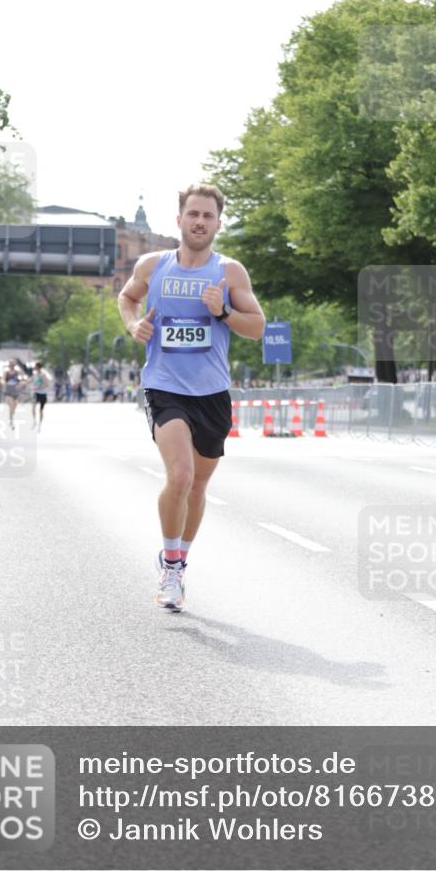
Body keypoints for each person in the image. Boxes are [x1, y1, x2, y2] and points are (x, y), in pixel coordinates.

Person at [118, 183, 265, 611]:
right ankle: (169, 565)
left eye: (208, 216)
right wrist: (133, 326)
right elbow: (127, 299)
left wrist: (222, 311)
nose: (199, 221)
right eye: (193, 214)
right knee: (179, 476)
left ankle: (180, 560)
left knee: (198, 486)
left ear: (218, 224)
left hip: (212, 392)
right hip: (164, 385)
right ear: (179, 219)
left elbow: (256, 326)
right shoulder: (152, 265)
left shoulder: (229, 272)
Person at [3, 360, 23, 430]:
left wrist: (19, 384)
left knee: (14, 407)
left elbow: (20, 380)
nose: (11, 366)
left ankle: (11, 417)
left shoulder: (17, 372)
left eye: (13, 364)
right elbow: (3, 380)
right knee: (11, 406)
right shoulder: (6, 372)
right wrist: (4, 383)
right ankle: (11, 421)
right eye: (10, 364)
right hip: (9, 391)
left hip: (15, 391)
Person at [30, 362, 50, 430]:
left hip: (42, 393)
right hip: (36, 393)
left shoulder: (43, 375)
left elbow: (47, 383)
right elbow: (30, 380)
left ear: (38, 367)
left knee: (41, 410)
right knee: (33, 407)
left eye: (35, 366)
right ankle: (34, 421)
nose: (34, 368)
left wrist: (40, 387)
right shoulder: (34, 374)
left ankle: (40, 424)